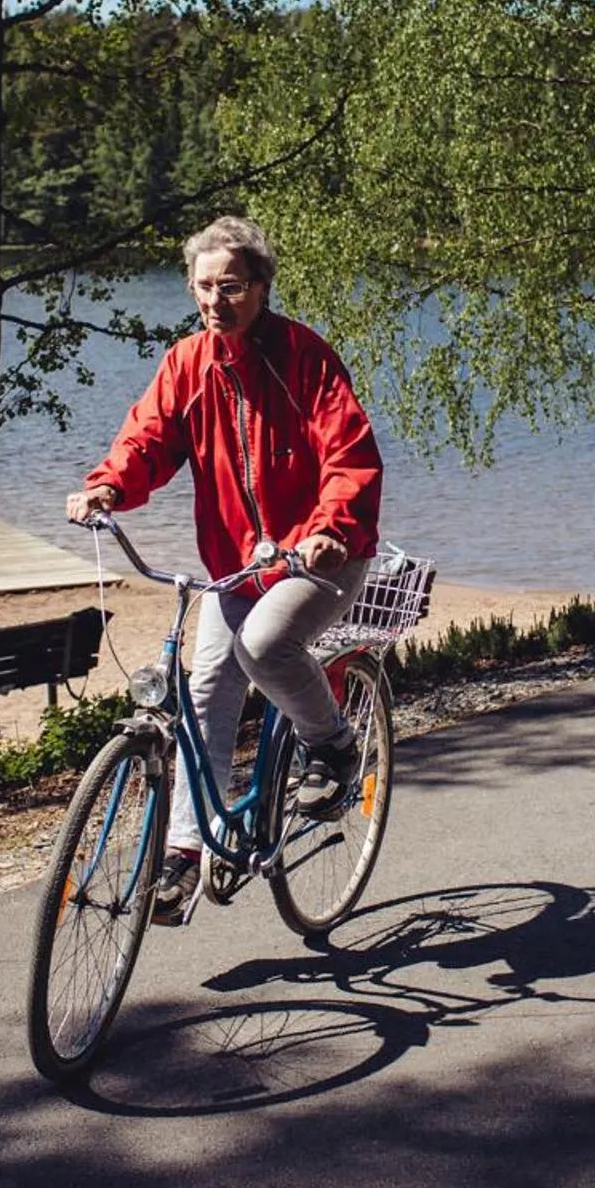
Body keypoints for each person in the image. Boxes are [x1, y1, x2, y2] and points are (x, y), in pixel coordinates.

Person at [66, 214, 384, 927]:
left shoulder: (303, 357)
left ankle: (330, 746)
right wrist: (109, 486)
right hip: (238, 563)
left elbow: (350, 455)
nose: (216, 301)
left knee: (266, 645)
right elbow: (147, 437)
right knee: (203, 689)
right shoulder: (187, 363)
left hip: (323, 553)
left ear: (262, 288)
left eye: (232, 287)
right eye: (204, 287)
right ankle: (182, 853)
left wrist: (330, 530)